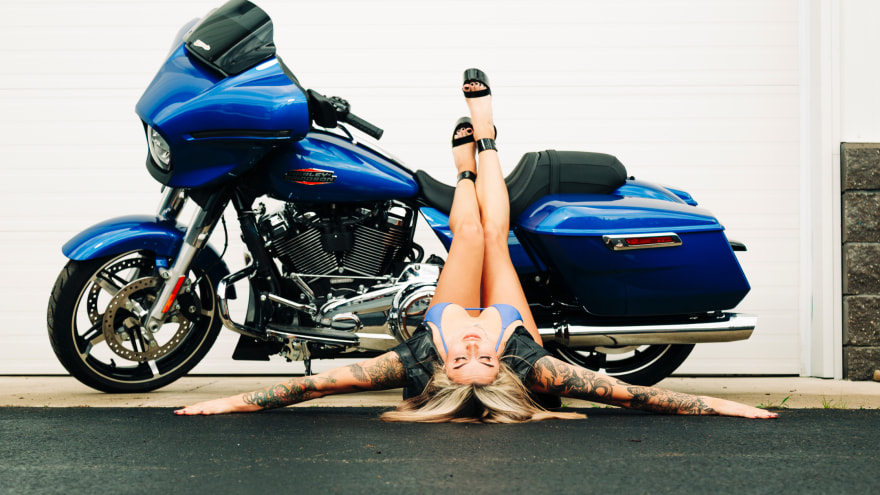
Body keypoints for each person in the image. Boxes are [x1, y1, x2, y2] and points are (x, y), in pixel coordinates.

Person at [175, 69, 778, 422]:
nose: (470, 348)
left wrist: (226, 404)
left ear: (441, 370)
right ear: (501, 368)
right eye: (480, 361)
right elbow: (637, 396)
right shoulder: (526, 361)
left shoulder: (421, 358)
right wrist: (726, 407)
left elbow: (313, 387)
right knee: (492, 235)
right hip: (513, 322)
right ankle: (486, 137)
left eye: (461, 362)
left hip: (436, 318)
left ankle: (462, 169)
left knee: (465, 231)